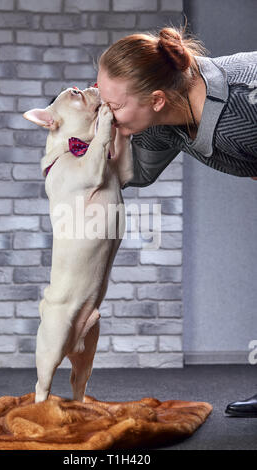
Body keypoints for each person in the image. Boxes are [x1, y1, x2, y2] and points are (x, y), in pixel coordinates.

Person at [96, 25, 257, 417]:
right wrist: (78, 138)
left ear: (154, 99)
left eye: (114, 107)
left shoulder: (244, 105)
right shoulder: (163, 121)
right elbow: (136, 174)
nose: (109, 115)